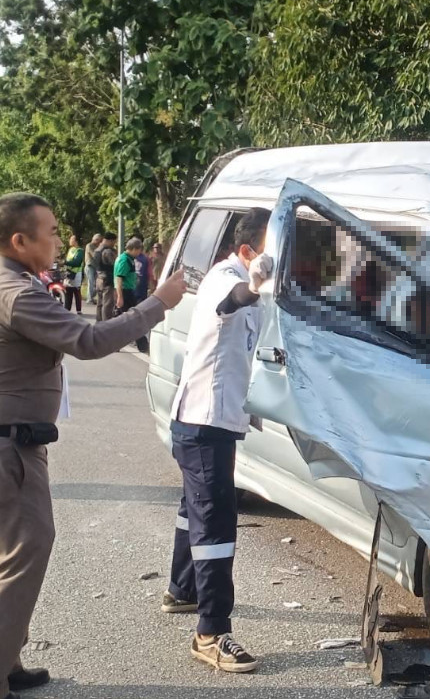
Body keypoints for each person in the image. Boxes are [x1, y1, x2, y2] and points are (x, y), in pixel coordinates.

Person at [0, 193, 186, 699]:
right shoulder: (15, 291)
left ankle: (4, 661)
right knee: (16, 562)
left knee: (3, 559)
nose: (58, 240)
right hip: (3, 446)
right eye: (50, 232)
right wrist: (159, 303)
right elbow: (91, 341)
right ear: (20, 240)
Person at [161, 207, 273, 673]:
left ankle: (182, 591)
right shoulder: (224, 279)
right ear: (247, 251)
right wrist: (255, 281)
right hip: (203, 424)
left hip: (212, 422)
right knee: (216, 523)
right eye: (270, 252)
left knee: (195, 510)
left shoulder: (258, 291)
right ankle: (211, 632)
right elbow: (232, 301)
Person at [114, 238, 147, 353]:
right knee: (133, 318)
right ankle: (143, 346)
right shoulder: (124, 260)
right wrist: (120, 296)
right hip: (125, 292)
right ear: (133, 249)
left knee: (126, 319)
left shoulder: (129, 259)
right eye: (138, 250)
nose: (139, 253)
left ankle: (115, 343)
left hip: (128, 291)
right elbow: (119, 278)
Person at [93, 233, 118, 322]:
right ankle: (106, 326)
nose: (114, 244)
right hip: (107, 279)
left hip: (99, 279)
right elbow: (114, 265)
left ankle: (98, 324)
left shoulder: (97, 250)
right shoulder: (108, 251)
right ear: (110, 240)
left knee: (100, 304)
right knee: (107, 305)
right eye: (114, 242)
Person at [61, 234, 84, 313]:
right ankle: (67, 309)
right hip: (68, 273)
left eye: (72, 239)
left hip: (76, 273)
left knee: (76, 291)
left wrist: (65, 262)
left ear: (76, 241)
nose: (70, 240)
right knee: (68, 291)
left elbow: (77, 262)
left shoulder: (80, 251)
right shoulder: (70, 250)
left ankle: (78, 310)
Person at [133, 235, 152, 305]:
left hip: (141, 291)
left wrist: (151, 287)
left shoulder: (146, 259)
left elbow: (149, 274)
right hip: (128, 291)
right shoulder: (125, 257)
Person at [84, 233, 102, 303]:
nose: (99, 242)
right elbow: (94, 255)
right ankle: (89, 298)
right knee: (91, 282)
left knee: (95, 283)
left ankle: (91, 296)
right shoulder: (89, 245)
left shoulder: (97, 246)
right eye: (99, 240)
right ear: (95, 239)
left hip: (95, 267)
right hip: (90, 266)